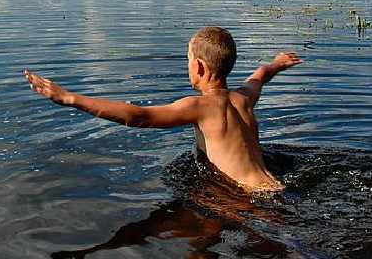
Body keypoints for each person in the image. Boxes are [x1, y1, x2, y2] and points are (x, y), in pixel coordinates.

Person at [24, 26, 302, 192]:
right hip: (274, 187)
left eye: (188, 60)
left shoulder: (199, 106)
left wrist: (70, 98)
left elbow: (139, 116)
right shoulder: (244, 98)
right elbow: (260, 75)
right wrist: (277, 62)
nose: (187, 66)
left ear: (199, 67)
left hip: (246, 198)